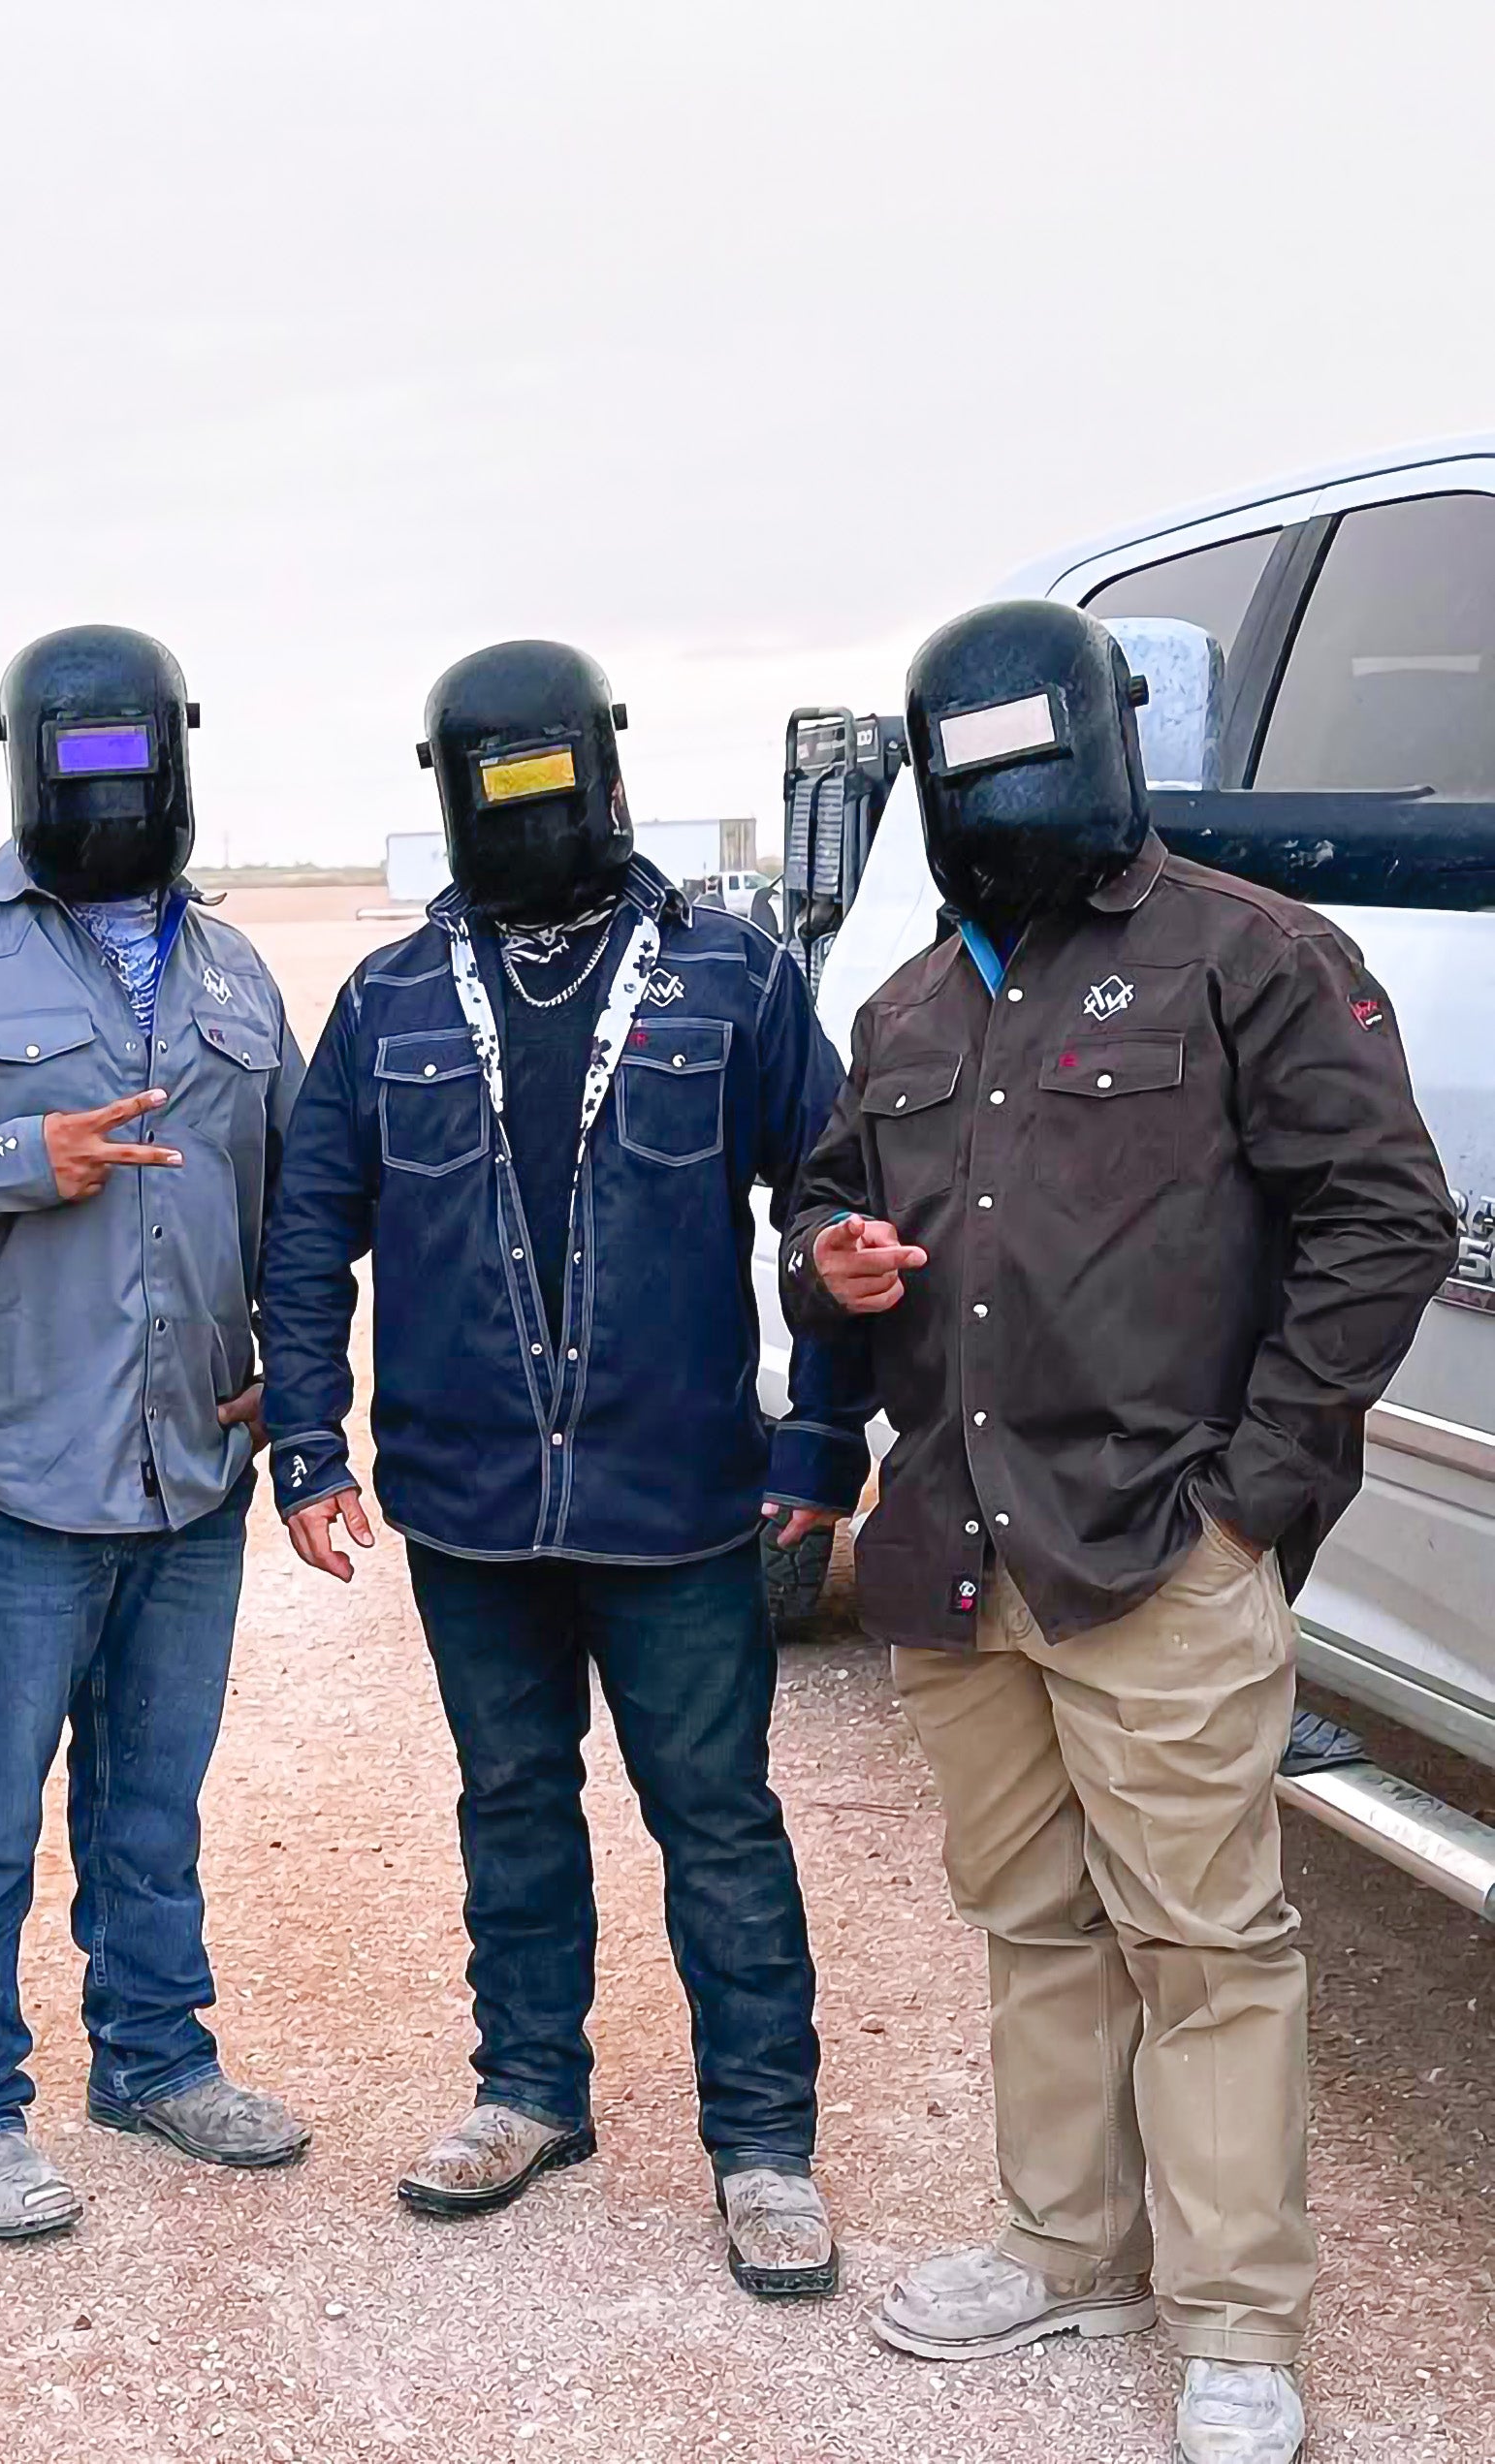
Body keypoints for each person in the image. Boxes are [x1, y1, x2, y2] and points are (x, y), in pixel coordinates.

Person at [780, 601, 1455, 2464]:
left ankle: (1237, 2320)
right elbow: (829, 1222)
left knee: (1206, 1939)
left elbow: (1383, 1221)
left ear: (1102, 734)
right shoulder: (904, 1008)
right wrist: (828, 1268)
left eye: (1027, 741)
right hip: (959, 1548)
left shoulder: (1246, 954)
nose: (1001, 783)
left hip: (1158, 1548)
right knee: (1031, 1922)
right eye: (963, 753)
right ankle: (1064, 2241)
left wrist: (1251, 1501)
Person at [259, 640, 875, 2293]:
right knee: (511, 1800)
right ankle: (528, 2087)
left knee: (716, 1816)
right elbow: (311, 1226)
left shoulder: (731, 979)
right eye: (492, 780)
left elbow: (830, 1213)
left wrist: (817, 1437)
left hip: (675, 1500)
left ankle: (761, 2143)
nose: (527, 806)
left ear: (605, 762)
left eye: (551, 771)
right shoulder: (388, 1000)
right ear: (445, 786)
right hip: (469, 1505)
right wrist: (307, 1440)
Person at [0, 623, 310, 2242]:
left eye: (137, 748)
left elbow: (304, 1200)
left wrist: (296, 1372)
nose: (112, 778)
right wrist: (15, 1158)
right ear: (25, 751)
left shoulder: (234, 971)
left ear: (177, 742)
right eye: (78, 752)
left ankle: (154, 2059)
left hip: (191, 1474)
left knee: (153, 1802)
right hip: (3, 1479)